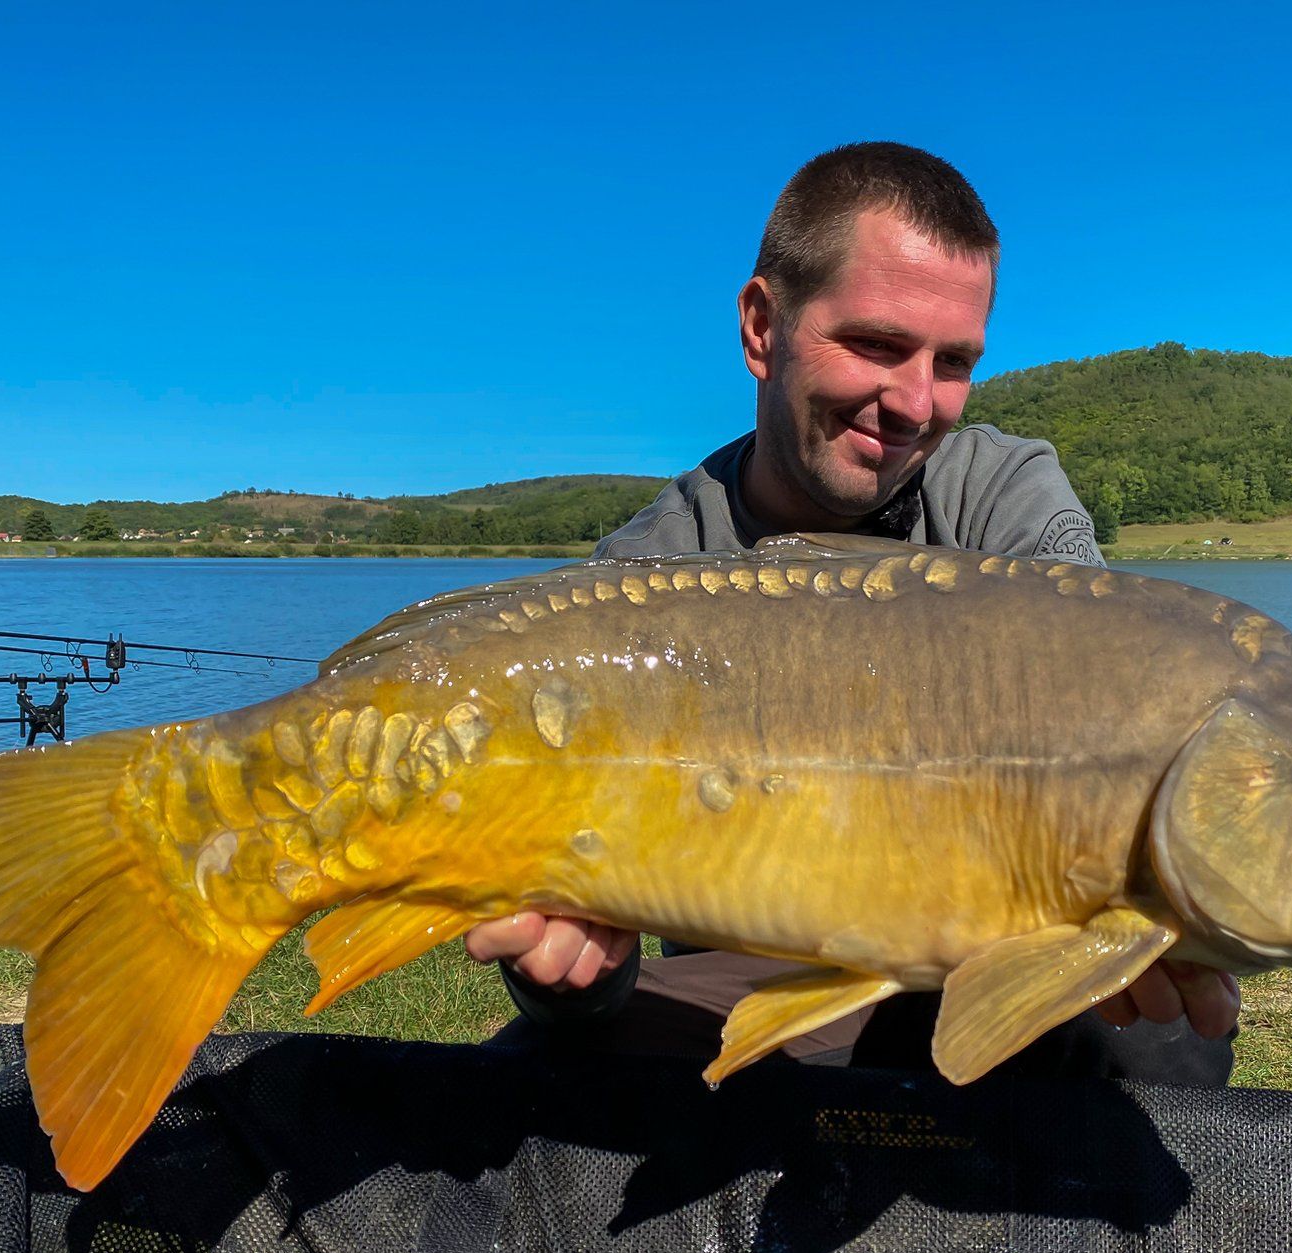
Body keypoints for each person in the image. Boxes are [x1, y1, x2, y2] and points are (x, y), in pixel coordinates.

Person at [466, 142, 1239, 1083]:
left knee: (1155, 1037)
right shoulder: (642, 580)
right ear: (761, 326)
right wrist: (573, 974)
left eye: (952, 361)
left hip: (990, 944)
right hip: (751, 967)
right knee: (551, 1062)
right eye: (875, 344)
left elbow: (1119, 687)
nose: (914, 403)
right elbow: (568, 921)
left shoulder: (1003, 494)